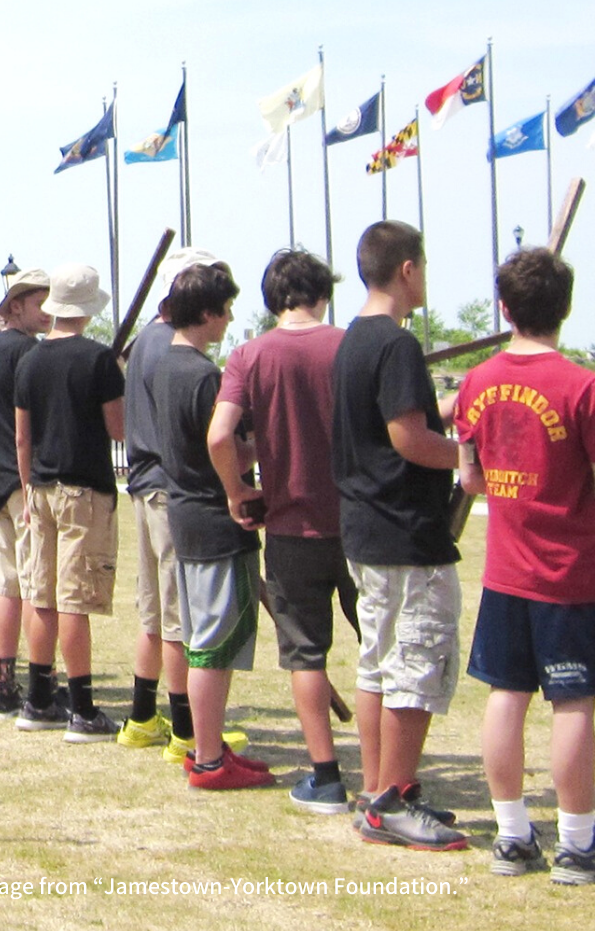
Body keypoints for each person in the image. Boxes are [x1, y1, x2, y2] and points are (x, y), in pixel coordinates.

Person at [454, 248, 595, 883]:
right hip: (570, 572)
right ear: (565, 310)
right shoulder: (580, 386)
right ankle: (578, 842)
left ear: (504, 309)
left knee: (506, 696)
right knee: (574, 702)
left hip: (505, 570)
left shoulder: (476, 382)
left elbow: (471, 479)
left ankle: (512, 833)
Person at [332, 221, 466, 849]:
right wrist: (467, 458)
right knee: (414, 662)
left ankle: (382, 790)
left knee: (378, 664)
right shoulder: (398, 344)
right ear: (406, 270)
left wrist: (453, 408)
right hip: (405, 530)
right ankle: (392, 800)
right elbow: (407, 439)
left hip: (365, 524)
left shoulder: (355, 339)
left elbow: (396, 419)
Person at [211, 249, 354, 812]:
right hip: (360, 520)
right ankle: (394, 775)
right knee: (380, 649)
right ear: (323, 291)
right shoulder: (348, 347)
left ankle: (326, 774)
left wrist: (236, 491)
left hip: (291, 523)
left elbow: (221, 436)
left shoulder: (250, 354)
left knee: (306, 654)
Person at [142, 261, 274, 790]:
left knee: (204, 638)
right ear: (208, 312)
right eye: (225, 310)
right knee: (214, 646)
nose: (229, 320)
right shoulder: (202, 375)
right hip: (214, 517)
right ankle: (210, 758)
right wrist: (250, 467)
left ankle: (207, 748)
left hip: (182, 510)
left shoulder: (161, 366)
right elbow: (223, 446)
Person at [12, 263, 125, 741]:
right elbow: (118, 429)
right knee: (75, 599)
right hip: (84, 486)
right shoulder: (99, 361)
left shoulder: (30, 361)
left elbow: (22, 437)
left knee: (42, 594)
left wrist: (28, 487)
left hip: (39, 484)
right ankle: (81, 706)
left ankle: (38, 697)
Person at [117, 249, 217, 754]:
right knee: (177, 615)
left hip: (142, 483)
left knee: (155, 611)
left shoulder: (145, 343)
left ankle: (141, 716)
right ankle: (185, 728)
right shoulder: (171, 347)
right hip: (167, 487)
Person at [0, 270, 49, 717]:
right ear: (16, 305)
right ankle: (41, 683)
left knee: (8, 585)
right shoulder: (25, 352)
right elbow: (30, 426)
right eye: (40, 303)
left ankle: (5, 684)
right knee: (37, 586)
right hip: (21, 481)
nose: (48, 312)